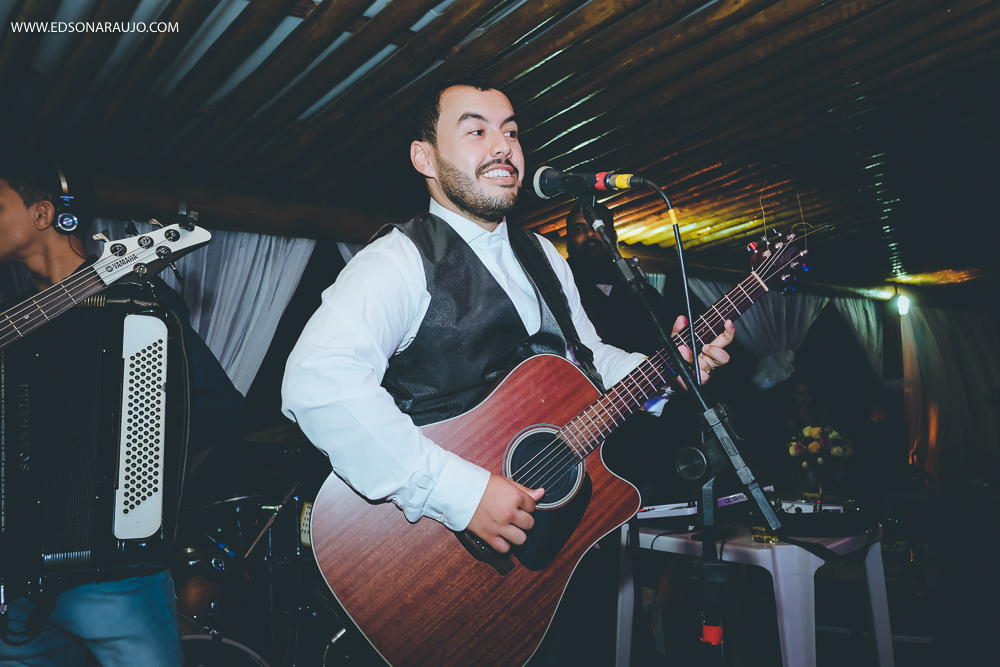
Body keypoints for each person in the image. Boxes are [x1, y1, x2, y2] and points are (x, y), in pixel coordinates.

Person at [282, 75, 733, 559]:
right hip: (428, 552)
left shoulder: (541, 253)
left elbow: (587, 359)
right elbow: (319, 380)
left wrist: (669, 370)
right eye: (477, 132)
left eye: (512, 132)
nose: (504, 148)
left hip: (563, 535)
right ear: (425, 158)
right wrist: (460, 494)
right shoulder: (399, 259)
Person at [0, 160, 242, 666]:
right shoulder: (13, 320)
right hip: (18, 577)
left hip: (115, 578)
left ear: (44, 214)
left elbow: (218, 412)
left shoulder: (140, 305)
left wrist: (146, 484)